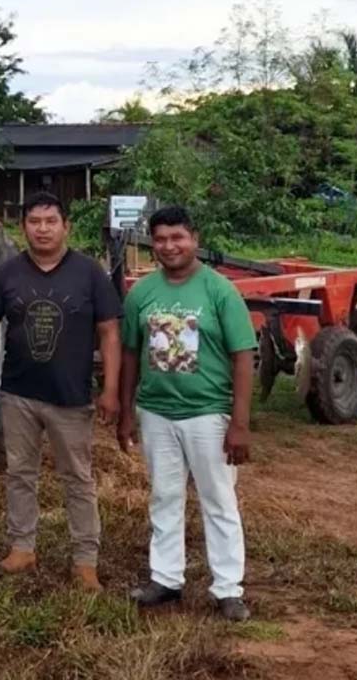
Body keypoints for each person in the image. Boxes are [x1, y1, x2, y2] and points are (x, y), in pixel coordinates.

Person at [0, 191, 121, 592]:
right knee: (20, 473)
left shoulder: (89, 273)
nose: (43, 229)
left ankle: (85, 560)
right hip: (18, 393)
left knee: (78, 478)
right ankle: (22, 548)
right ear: (23, 228)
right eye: (34, 222)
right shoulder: (8, 272)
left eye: (50, 221)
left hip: (70, 397)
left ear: (65, 226)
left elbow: (109, 332)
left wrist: (110, 389)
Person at [118, 205, 255, 622]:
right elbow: (130, 354)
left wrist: (239, 423)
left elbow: (243, 356)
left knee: (218, 499)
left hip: (207, 414)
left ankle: (228, 589)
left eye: (177, 237)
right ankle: (166, 579)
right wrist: (126, 411)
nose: (169, 246)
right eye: (160, 239)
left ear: (195, 238)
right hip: (156, 412)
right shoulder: (142, 293)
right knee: (164, 496)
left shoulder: (219, 291)